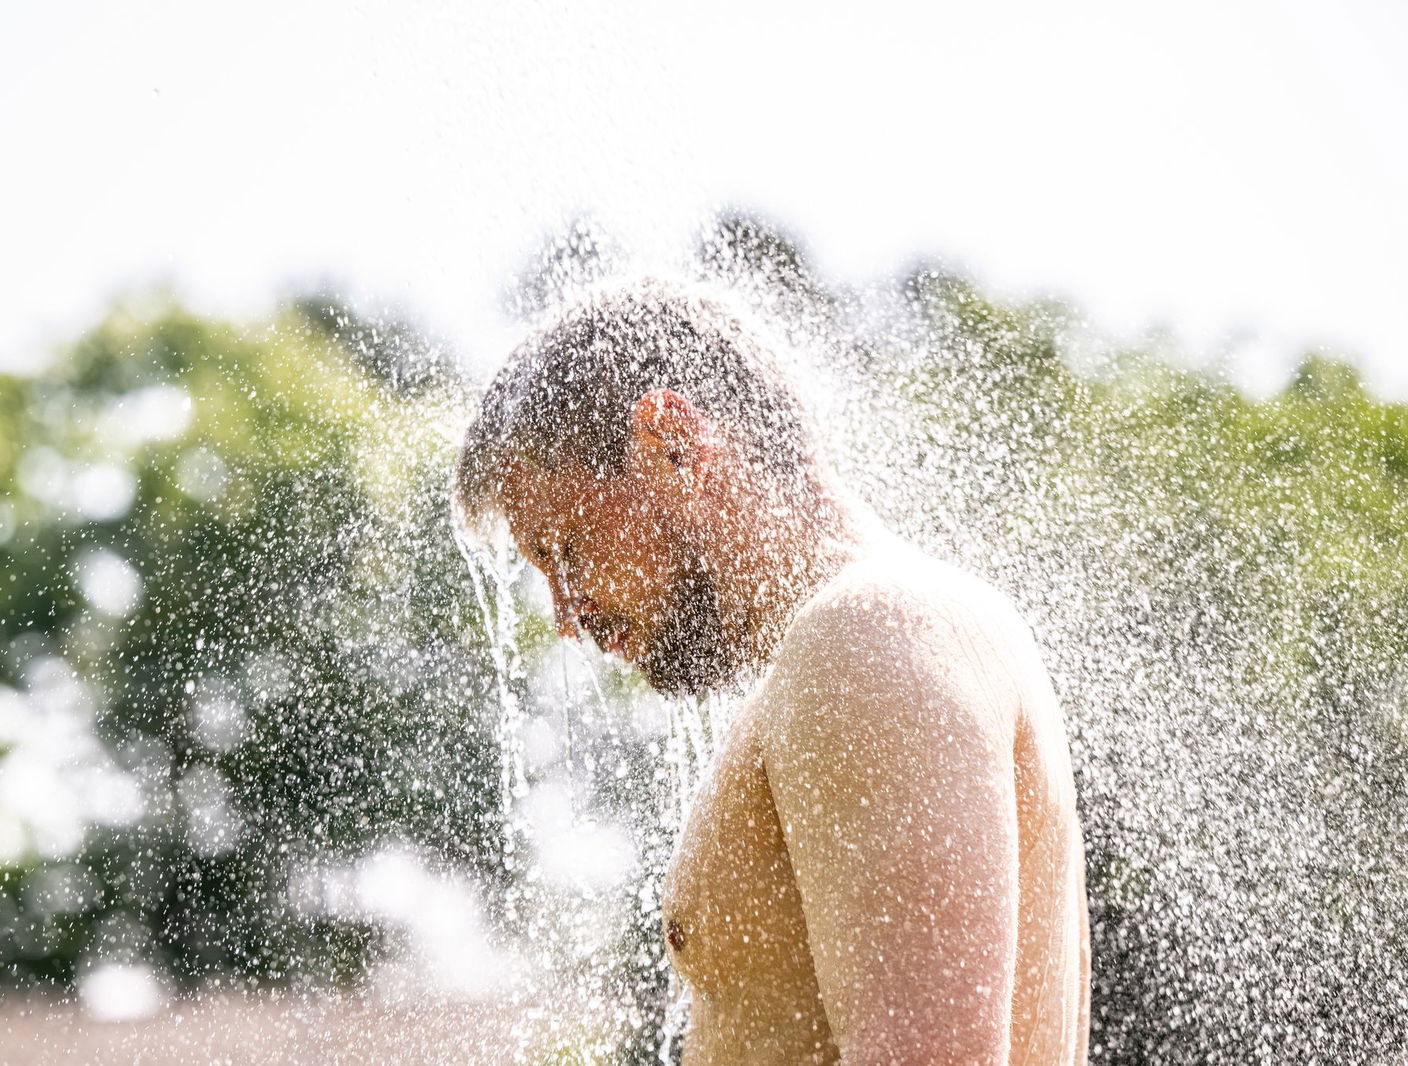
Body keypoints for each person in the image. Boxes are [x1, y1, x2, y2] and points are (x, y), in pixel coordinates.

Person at [454, 281, 1090, 1065]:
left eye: (567, 550)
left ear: (672, 446)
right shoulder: (874, 639)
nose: (565, 614)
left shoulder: (866, 636)